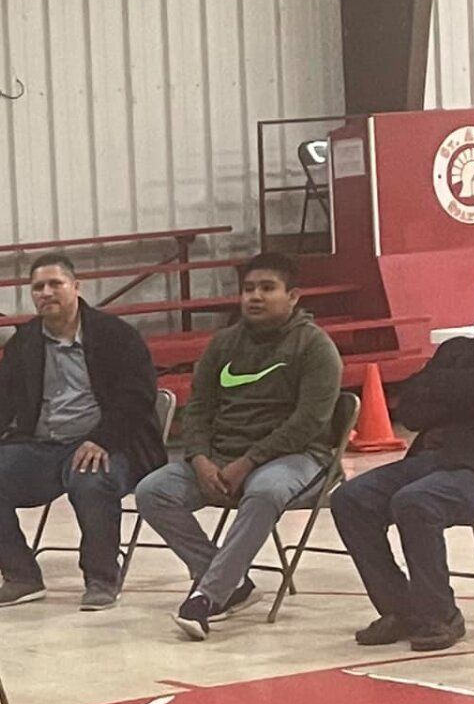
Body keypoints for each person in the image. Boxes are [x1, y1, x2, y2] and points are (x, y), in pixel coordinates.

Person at [133, 251, 343, 641]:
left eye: (267, 288)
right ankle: (234, 584)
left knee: (264, 491)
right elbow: (198, 408)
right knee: (152, 490)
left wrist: (249, 461)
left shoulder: (315, 347)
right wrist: (199, 459)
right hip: (222, 458)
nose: (255, 297)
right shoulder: (224, 343)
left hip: (297, 457)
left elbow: (308, 422)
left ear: (293, 296)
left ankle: (207, 597)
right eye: (248, 289)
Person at [330, 257, 474, 652]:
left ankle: (439, 615)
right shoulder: (457, 350)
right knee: (349, 498)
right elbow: (411, 409)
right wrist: (472, 393)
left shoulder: (455, 360)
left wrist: (445, 390)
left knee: (416, 502)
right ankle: (401, 609)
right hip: (436, 461)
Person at [0, 253, 166, 611]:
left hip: (108, 443)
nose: (46, 292)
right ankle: (20, 576)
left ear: (76, 287)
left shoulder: (116, 335)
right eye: (38, 287)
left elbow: (138, 397)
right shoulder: (25, 341)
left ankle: (101, 579)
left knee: (90, 479)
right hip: (43, 446)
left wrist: (102, 439)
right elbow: (1, 396)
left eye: (55, 284)